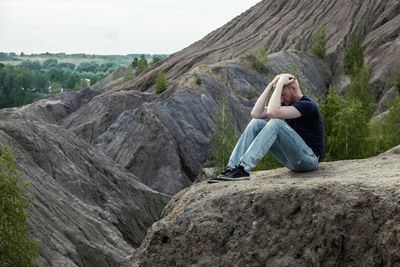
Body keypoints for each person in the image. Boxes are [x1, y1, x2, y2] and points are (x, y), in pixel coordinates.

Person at [208, 73, 325, 183]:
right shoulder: (287, 105)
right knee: (256, 123)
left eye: (283, 95)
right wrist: (270, 86)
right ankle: (232, 168)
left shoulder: (308, 105)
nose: (281, 99)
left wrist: (279, 85)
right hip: (293, 160)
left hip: (309, 159)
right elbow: (256, 113)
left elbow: (273, 112)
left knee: (276, 123)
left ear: (294, 89)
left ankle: (243, 168)